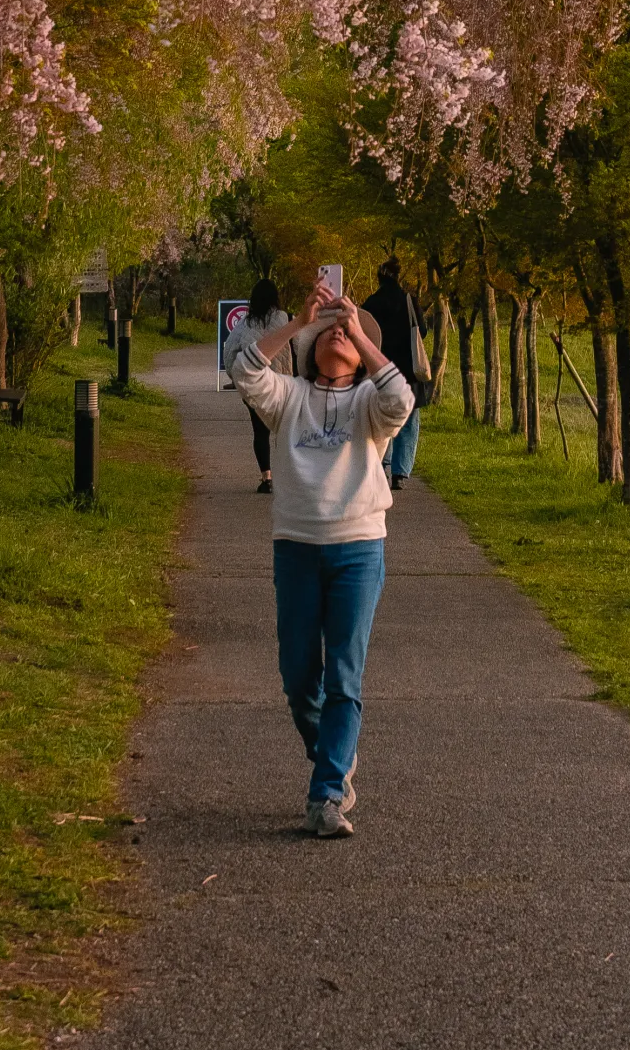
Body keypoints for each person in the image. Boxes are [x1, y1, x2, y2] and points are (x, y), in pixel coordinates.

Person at [230, 279, 415, 839]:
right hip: (297, 548)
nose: (338, 334)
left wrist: (359, 328)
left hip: (358, 548)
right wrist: (298, 321)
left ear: (360, 358)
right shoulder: (288, 397)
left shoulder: (368, 404)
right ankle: (334, 756)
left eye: (348, 336)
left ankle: (327, 793)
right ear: (309, 349)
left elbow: (402, 398)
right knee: (297, 678)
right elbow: (243, 370)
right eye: (329, 332)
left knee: (343, 675)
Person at [363, 255, 427, 487]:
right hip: (408, 368)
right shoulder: (409, 300)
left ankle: (382, 463)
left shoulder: (371, 302)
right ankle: (400, 472)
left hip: (380, 369)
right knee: (408, 418)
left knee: (382, 417)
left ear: (379, 278)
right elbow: (423, 332)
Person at [223, 278, 290, 492]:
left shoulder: (245, 323)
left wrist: (237, 378)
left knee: (260, 432)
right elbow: (300, 346)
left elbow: (229, 352)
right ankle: (289, 477)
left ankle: (266, 478)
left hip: (255, 386)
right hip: (283, 385)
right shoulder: (284, 319)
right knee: (287, 432)